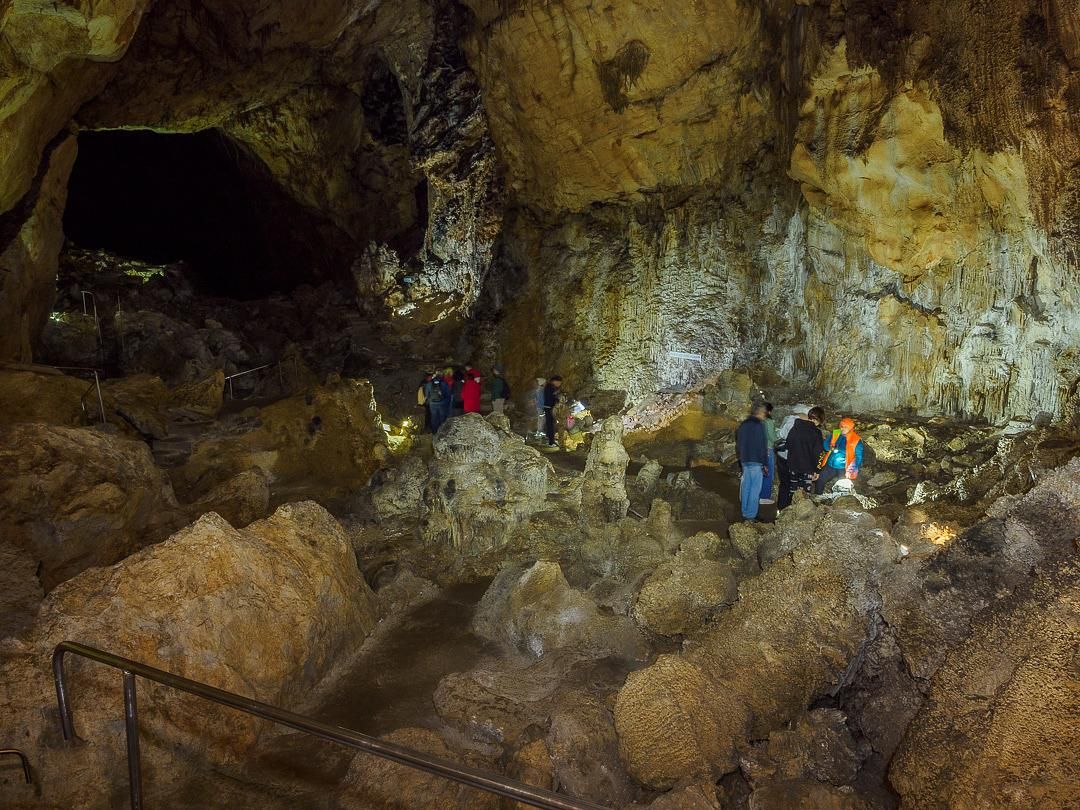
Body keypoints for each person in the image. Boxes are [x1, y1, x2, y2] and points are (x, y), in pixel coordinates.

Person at [779, 406, 825, 508]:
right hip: (807, 469)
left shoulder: (796, 427)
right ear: (818, 420)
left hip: (793, 466)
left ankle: (790, 512)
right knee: (805, 494)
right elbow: (819, 453)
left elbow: (789, 444)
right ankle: (802, 516)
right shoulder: (816, 433)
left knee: (793, 491)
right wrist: (817, 470)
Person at [736, 402, 769, 521]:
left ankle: (745, 512)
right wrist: (765, 463)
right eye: (764, 413)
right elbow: (762, 445)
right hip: (756, 461)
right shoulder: (759, 425)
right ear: (760, 412)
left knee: (746, 487)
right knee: (755, 489)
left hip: (745, 460)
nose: (765, 415)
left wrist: (741, 459)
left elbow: (739, 444)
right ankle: (750, 516)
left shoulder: (743, 425)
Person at [775, 403, 811, 506]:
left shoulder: (789, 420)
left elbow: (781, 434)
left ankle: (781, 508)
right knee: (794, 484)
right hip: (793, 459)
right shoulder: (801, 424)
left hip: (782, 456)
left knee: (785, 483)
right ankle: (791, 507)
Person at [816, 416, 864, 494]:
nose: (842, 429)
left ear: (850, 428)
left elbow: (858, 457)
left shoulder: (856, 440)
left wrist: (851, 470)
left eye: (845, 427)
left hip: (844, 468)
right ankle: (817, 496)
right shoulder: (836, 433)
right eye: (841, 426)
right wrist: (829, 447)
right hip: (831, 464)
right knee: (820, 479)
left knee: (842, 488)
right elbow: (826, 443)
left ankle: (840, 502)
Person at [759, 402, 777, 505]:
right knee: (768, 473)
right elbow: (772, 437)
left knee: (760, 472)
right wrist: (779, 436)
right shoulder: (768, 421)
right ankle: (764, 496)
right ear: (769, 411)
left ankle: (757, 495)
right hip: (767, 449)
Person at [542, 376, 563, 446]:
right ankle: (551, 440)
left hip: (548, 407)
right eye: (559, 383)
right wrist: (556, 400)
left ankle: (550, 438)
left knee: (550, 423)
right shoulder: (550, 388)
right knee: (550, 423)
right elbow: (550, 398)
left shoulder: (550, 387)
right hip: (549, 407)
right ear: (555, 381)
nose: (559, 384)